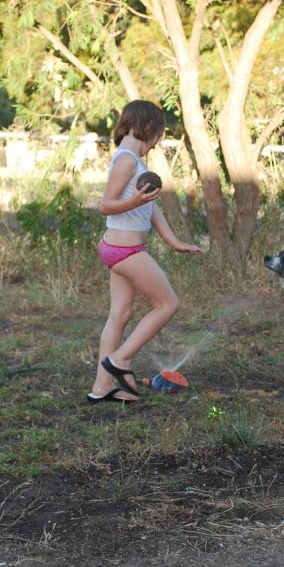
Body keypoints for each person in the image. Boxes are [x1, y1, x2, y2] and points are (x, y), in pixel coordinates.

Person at [88, 100, 201, 404]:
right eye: (159, 135)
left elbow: (151, 211)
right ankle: (120, 359)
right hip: (124, 251)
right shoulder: (126, 160)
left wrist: (174, 242)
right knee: (167, 304)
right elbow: (105, 205)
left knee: (120, 314)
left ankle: (102, 388)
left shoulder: (135, 162)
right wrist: (135, 202)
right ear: (148, 127)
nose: (157, 143)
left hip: (119, 248)